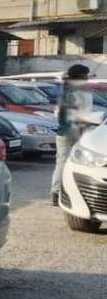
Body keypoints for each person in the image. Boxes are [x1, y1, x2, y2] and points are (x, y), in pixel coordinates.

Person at [51, 64, 96, 205]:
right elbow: (85, 115)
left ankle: (55, 193)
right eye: (86, 75)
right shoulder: (84, 92)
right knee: (84, 164)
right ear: (81, 76)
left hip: (63, 132)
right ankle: (81, 195)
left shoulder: (65, 90)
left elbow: (57, 113)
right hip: (79, 132)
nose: (88, 78)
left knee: (61, 163)